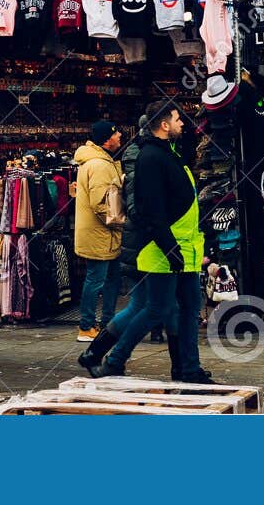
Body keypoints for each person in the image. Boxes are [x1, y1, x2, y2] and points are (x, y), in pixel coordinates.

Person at [86, 105, 211, 383]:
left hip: (186, 249)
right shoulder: (151, 158)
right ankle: (113, 361)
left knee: (188, 310)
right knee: (157, 309)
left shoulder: (170, 153)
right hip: (163, 250)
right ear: (164, 125)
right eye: (178, 119)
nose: (183, 124)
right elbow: (151, 209)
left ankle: (189, 369)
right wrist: (169, 246)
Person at [73, 120, 124, 340]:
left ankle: (107, 324)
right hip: (101, 233)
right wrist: (120, 222)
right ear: (107, 139)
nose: (120, 135)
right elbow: (100, 203)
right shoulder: (99, 164)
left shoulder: (99, 161)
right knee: (96, 279)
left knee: (110, 279)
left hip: (104, 234)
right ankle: (86, 326)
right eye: (116, 133)